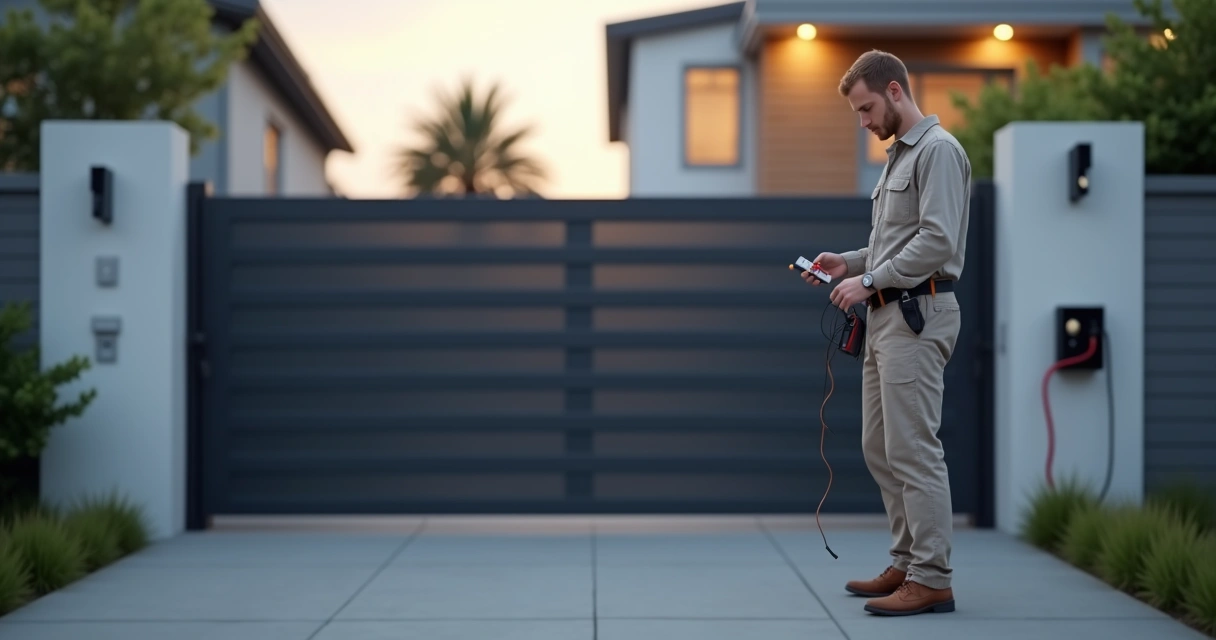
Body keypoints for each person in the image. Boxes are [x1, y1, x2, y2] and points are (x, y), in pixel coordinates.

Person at [803, 49, 971, 617]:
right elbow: (897, 241)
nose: (864, 121)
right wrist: (850, 263)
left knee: (915, 449)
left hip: (918, 316)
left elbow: (938, 242)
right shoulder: (899, 157)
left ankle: (932, 578)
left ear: (895, 91)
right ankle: (907, 560)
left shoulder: (940, 152)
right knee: (881, 447)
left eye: (867, 107)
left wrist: (871, 276)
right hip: (888, 317)